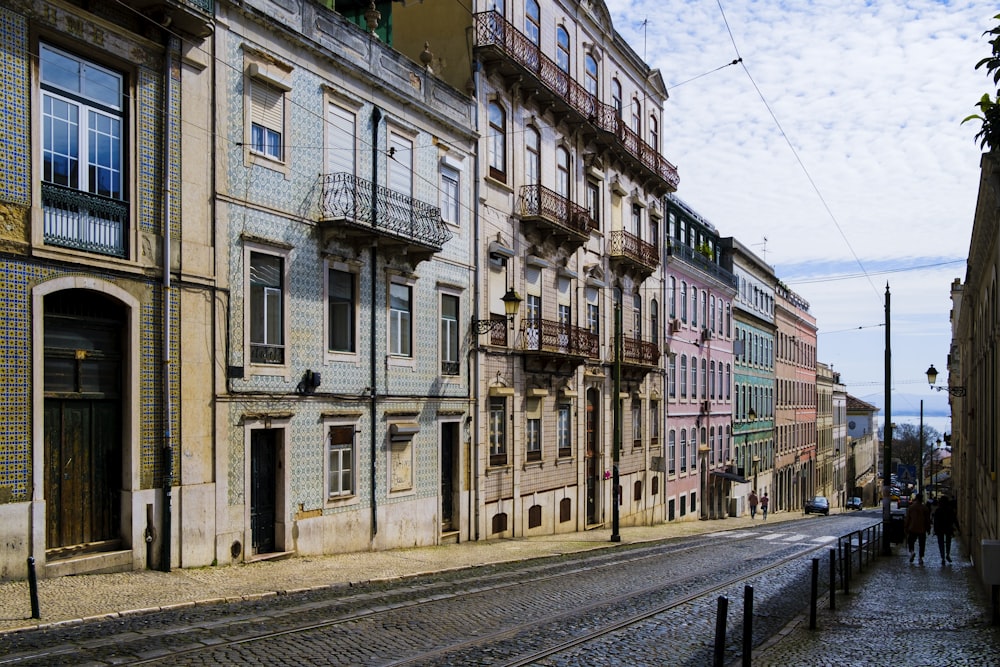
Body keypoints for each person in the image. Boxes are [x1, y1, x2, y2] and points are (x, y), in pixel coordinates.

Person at [903, 493, 932, 564]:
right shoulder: (925, 508)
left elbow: (908, 519)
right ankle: (920, 558)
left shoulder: (911, 507)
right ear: (921, 499)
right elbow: (927, 520)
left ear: (916, 498)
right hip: (922, 528)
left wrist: (906, 527)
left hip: (912, 527)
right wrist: (928, 528)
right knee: (922, 544)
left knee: (911, 541)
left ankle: (912, 552)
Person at [933, 495, 958, 564]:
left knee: (941, 543)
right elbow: (954, 519)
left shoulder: (938, 510)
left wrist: (935, 529)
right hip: (948, 528)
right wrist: (957, 528)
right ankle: (947, 554)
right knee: (948, 542)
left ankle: (943, 557)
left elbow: (935, 521)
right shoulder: (950, 510)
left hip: (940, 528)